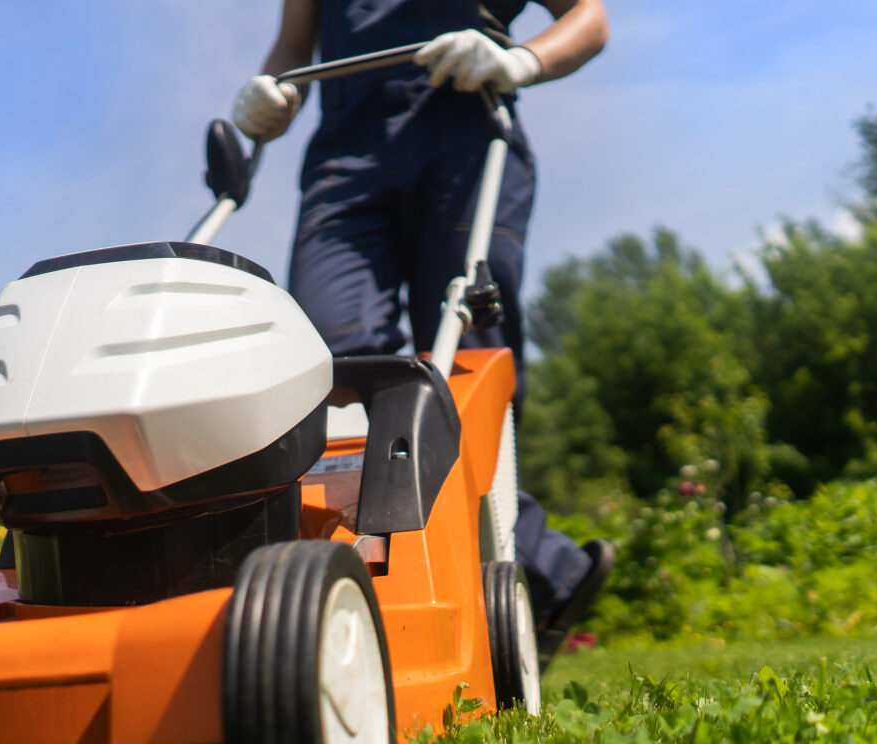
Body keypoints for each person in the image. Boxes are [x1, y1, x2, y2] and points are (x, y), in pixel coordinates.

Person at [231, 0, 614, 667]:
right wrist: (272, 91)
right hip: (346, 156)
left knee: (463, 366)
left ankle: (484, 583)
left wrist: (522, 61)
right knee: (336, 371)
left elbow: (589, 17)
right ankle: (535, 570)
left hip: (463, 128)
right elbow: (294, 44)